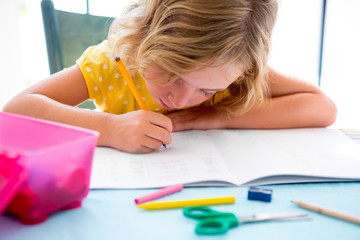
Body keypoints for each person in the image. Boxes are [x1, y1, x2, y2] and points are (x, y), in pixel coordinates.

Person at [3, 0, 337, 153]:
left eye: (206, 90)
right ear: (148, 38)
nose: (180, 100)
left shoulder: (233, 64)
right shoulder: (114, 63)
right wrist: (109, 129)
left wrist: (217, 116)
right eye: (173, 73)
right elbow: (13, 114)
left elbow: (323, 107)